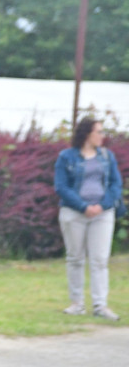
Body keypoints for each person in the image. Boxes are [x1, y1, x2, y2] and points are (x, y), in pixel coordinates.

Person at [54, 117, 122, 320]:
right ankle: (77, 304)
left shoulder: (107, 157)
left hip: (103, 215)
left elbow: (115, 185)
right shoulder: (66, 157)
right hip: (74, 214)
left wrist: (102, 205)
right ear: (86, 134)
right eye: (98, 132)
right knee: (75, 258)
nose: (102, 136)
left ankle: (100, 305)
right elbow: (61, 186)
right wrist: (83, 206)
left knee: (99, 260)